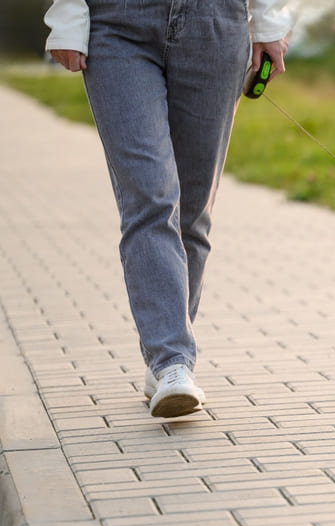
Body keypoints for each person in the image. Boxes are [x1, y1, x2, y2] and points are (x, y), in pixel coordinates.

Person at [43, 0, 294, 418]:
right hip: (120, 26)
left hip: (214, 25)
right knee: (151, 199)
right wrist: (67, 15)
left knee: (193, 213)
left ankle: (165, 356)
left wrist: (268, 21)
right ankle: (172, 359)